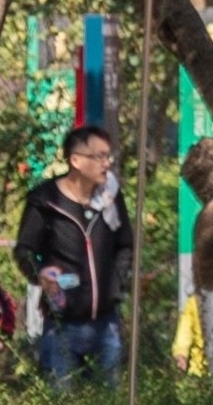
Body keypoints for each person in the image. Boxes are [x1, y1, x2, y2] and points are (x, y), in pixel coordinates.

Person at [19, 125, 135, 390]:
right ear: (76, 160)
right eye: (100, 156)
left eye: (109, 156)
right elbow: (24, 250)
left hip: (107, 324)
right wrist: (39, 274)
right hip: (62, 324)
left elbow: (125, 245)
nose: (107, 164)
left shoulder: (111, 198)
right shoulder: (45, 201)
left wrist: (115, 285)